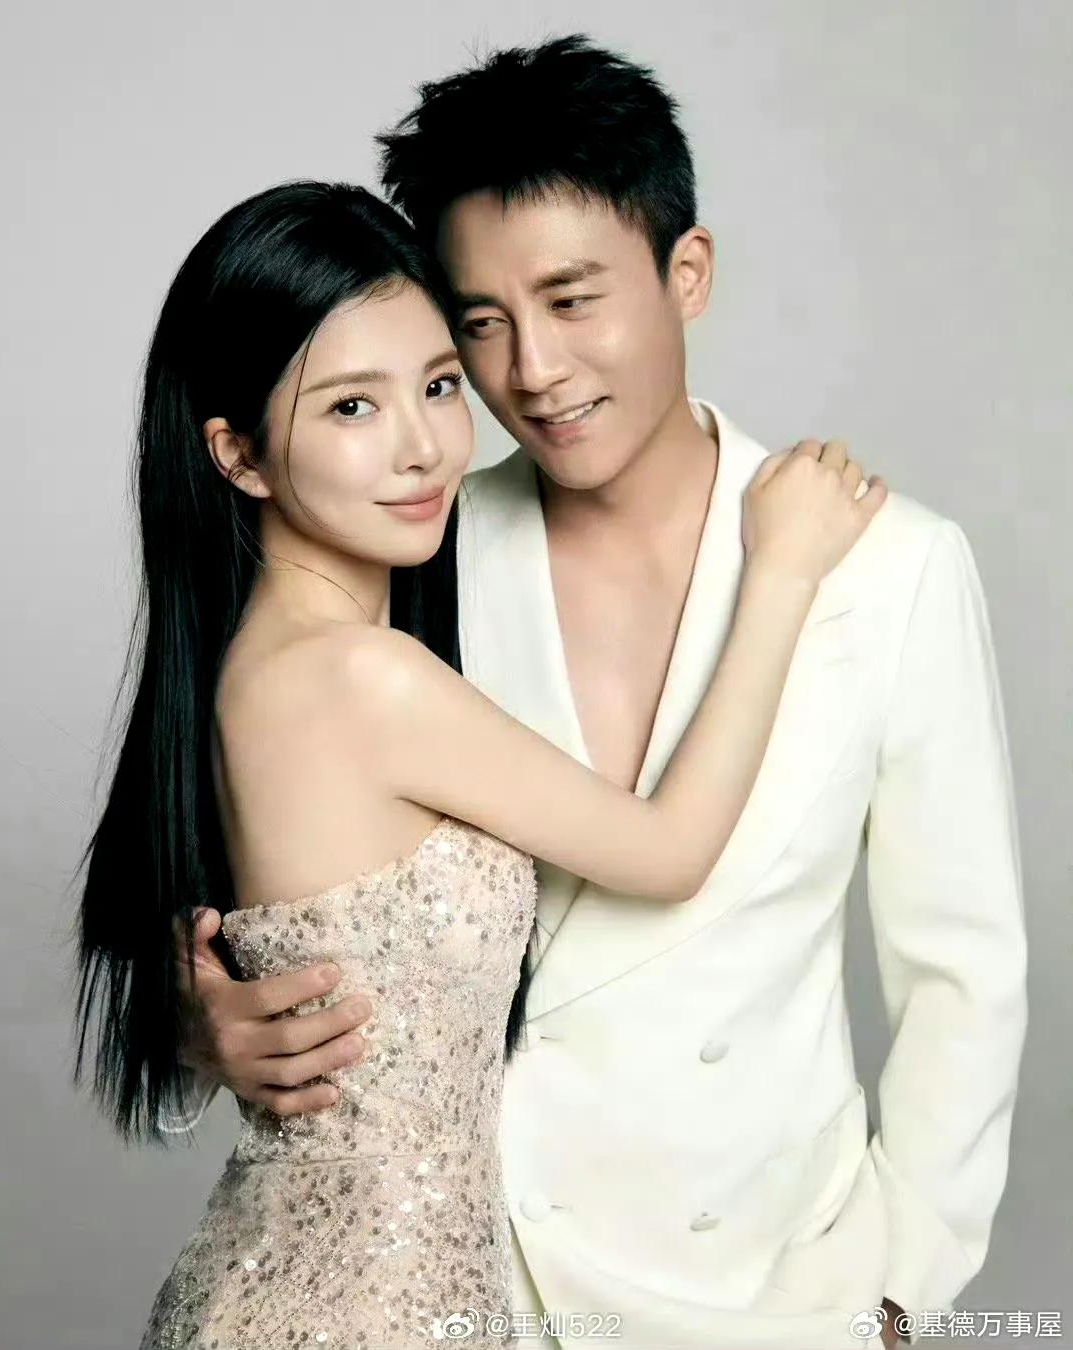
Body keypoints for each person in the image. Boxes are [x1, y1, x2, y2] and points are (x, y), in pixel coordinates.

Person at [162, 37, 1027, 1350]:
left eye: (574, 300)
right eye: (480, 325)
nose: (534, 371)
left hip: (769, 1285)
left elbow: (965, 971)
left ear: (689, 274)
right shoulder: (417, 539)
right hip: (483, 1283)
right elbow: (274, 845)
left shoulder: (891, 569)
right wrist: (207, 1027)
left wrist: (902, 1287)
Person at [72, 180, 881, 1350]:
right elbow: (667, 852)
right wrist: (785, 570)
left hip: (351, 1292)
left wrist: (200, 1019)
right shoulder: (366, 678)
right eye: (353, 406)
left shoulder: (264, 662)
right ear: (238, 456)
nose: (424, 448)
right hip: (354, 1315)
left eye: (441, 386)